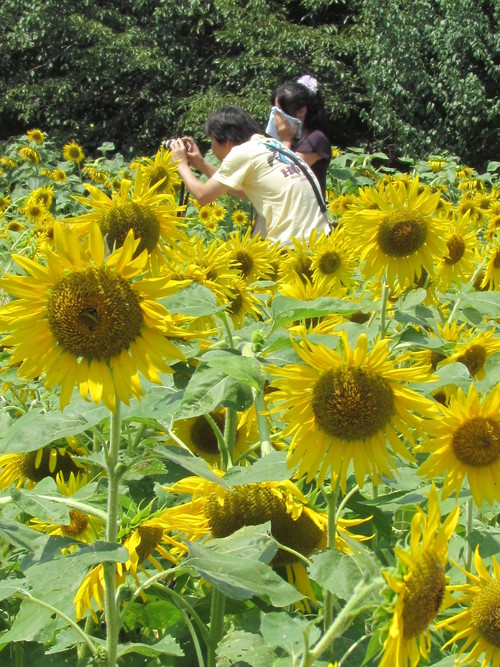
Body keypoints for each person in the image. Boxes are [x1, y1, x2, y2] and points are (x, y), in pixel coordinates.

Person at [169, 106, 328, 247]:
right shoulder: (273, 145)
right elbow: (244, 191)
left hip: (293, 246)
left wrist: (181, 165)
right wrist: (202, 165)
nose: (211, 146)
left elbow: (203, 196)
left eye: (212, 140)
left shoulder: (242, 152)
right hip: (321, 240)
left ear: (227, 141)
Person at [267, 75, 331, 198]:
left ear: (302, 112)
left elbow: (284, 176)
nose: (276, 118)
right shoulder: (292, 139)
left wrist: (285, 139)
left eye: (279, 112)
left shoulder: (316, 140)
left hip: (306, 215)